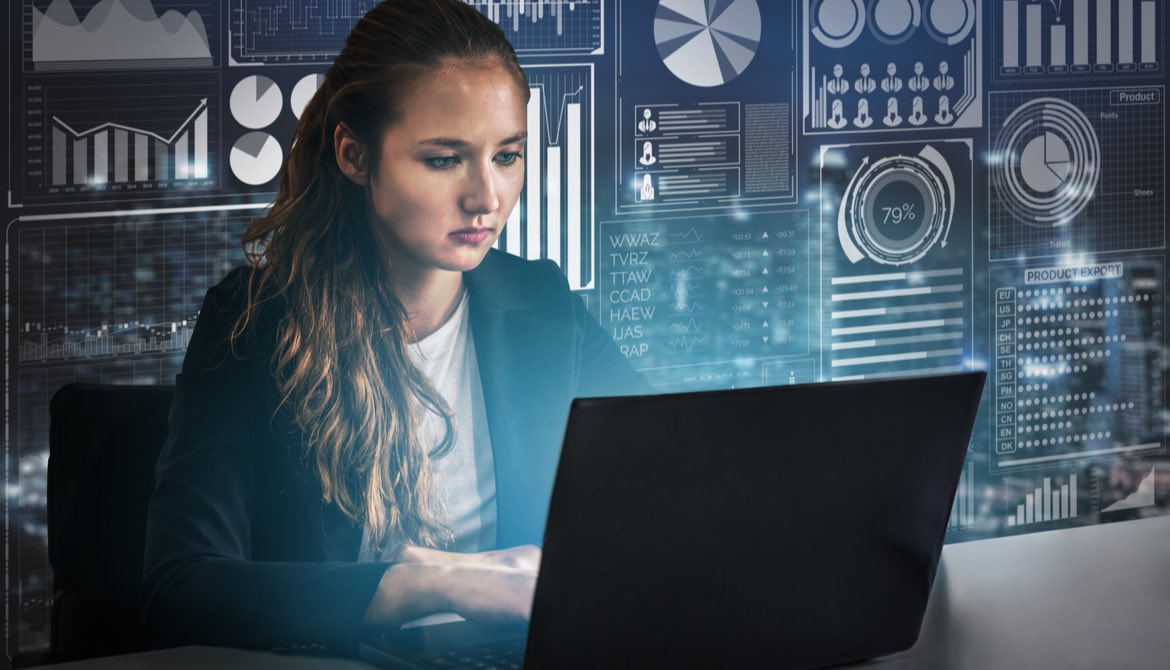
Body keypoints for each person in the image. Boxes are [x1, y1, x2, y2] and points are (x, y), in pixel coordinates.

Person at [140, 0, 648, 657]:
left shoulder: (544, 305)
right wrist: (421, 584)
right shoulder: (255, 324)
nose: (486, 197)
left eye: (507, 156)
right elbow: (178, 591)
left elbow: (675, 493)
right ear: (355, 155)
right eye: (444, 160)